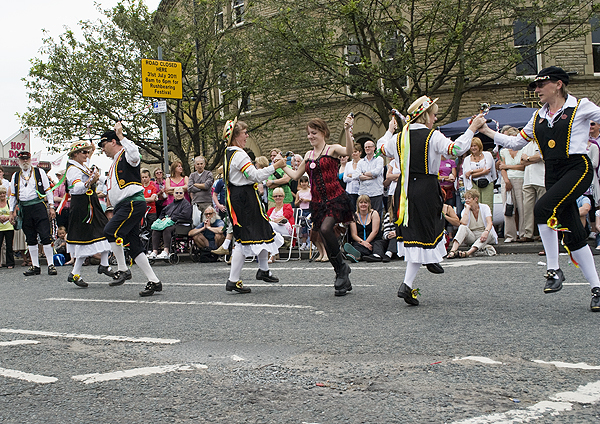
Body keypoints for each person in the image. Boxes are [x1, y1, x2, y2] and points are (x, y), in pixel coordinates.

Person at [478, 65, 600, 312]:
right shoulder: (538, 117)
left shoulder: (581, 106)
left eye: (541, 85)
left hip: (577, 167)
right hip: (552, 172)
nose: (537, 90)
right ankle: (597, 289)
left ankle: (553, 269)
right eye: (535, 86)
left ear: (558, 85)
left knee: (543, 208)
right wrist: (486, 131)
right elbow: (515, 141)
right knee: (575, 236)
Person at [377, 96, 486, 306]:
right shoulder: (432, 136)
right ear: (426, 115)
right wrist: (472, 128)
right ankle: (412, 279)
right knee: (429, 228)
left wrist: (390, 130)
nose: (435, 118)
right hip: (425, 189)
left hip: (404, 191)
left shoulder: (398, 138)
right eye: (434, 114)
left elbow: (382, 147)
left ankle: (431, 260)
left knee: (418, 231)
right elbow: (456, 149)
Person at [276, 116, 354, 296]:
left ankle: (341, 268)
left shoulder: (332, 149)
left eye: (314, 133)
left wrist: (348, 130)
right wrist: (281, 165)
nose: (311, 136)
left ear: (323, 132)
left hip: (335, 198)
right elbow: (296, 176)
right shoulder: (308, 155)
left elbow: (348, 150)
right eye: (309, 133)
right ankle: (341, 273)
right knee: (324, 235)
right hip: (318, 202)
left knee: (327, 229)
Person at [99, 122, 162, 297]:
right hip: (124, 205)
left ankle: (122, 269)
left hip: (132, 202)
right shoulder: (114, 162)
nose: (103, 150)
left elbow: (135, 154)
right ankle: (154, 281)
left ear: (113, 142)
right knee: (134, 245)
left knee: (110, 231)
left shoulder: (126, 155)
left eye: (104, 145)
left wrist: (121, 136)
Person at [223, 118, 285, 293]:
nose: (247, 136)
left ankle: (263, 270)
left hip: (239, 197)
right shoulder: (239, 154)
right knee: (246, 238)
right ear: (236, 136)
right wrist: (275, 166)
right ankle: (234, 280)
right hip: (245, 199)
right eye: (244, 133)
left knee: (262, 231)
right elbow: (255, 176)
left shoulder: (228, 153)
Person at [64, 141, 114, 287]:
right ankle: (75, 273)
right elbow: (77, 187)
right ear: (75, 154)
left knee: (105, 231)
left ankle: (103, 264)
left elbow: (93, 179)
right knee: (84, 239)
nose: (87, 155)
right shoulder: (73, 169)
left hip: (91, 204)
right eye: (84, 152)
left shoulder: (82, 166)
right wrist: (90, 181)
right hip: (82, 207)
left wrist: (101, 179)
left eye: (88, 152)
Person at [9, 151, 57, 277]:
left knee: (45, 235)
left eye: (27, 159)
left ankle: (51, 264)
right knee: (30, 237)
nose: (25, 161)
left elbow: (48, 190)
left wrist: (51, 206)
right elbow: (13, 196)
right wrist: (11, 212)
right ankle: (35, 266)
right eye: (22, 159)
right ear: (18, 161)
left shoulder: (39, 172)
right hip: (24, 208)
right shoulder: (15, 175)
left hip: (38, 206)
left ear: (30, 160)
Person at [447, 189, 498, 258]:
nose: (466, 200)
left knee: (489, 234)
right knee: (462, 227)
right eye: (465, 199)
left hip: (485, 234)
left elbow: (489, 223)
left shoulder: (485, 207)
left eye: (469, 198)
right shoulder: (465, 210)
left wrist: (486, 232)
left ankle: (468, 253)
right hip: (472, 235)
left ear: (476, 199)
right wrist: (467, 209)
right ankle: (452, 251)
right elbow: (463, 223)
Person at [148, 187, 192, 259]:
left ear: (183, 194)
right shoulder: (170, 205)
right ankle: (154, 251)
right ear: (174, 194)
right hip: (168, 223)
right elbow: (163, 212)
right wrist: (161, 219)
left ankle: (166, 251)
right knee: (156, 229)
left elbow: (185, 215)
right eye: (177, 193)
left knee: (167, 229)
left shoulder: (186, 204)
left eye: (181, 193)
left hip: (180, 224)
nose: (178, 194)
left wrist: (172, 218)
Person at [498, 127, 525, 242]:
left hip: (521, 179)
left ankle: (524, 233)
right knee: (508, 207)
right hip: (507, 180)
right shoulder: (503, 151)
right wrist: (507, 181)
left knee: (523, 208)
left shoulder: (524, 150)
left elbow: (523, 166)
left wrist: (508, 166)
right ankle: (510, 235)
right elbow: (501, 167)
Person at [344, 195, 385, 262]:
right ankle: (358, 256)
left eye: (365, 202)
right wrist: (363, 243)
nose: (363, 204)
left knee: (377, 245)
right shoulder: (354, 216)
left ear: (369, 204)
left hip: (373, 240)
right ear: (358, 204)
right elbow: (354, 235)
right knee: (356, 246)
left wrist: (366, 242)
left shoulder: (374, 213)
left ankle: (359, 256)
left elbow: (375, 231)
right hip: (360, 241)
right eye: (361, 202)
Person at [519, 140, 545, 242]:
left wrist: (528, 158)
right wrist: (533, 159)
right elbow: (521, 161)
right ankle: (528, 233)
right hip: (528, 179)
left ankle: (543, 233)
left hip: (541, 179)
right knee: (527, 208)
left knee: (542, 207)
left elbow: (541, 156)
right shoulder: (527, 145)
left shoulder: (542, 142)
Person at [462, 137, 496, 213]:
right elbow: (467, 175)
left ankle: (488, 223)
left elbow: (488, 168)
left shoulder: (487, 155)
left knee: (488, 206)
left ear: (479, 146)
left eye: (475, 146)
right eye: (471, 146)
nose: (473, 148)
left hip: (487, 183)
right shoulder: (467, 159)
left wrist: (472, 171)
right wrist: (482, 172)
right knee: (475, 206)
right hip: (474, 184)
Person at [356, 140, 385, 218]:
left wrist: (363, 174)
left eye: (369, 147)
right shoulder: (360, 162)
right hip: (363, 193)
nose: (367, 148)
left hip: (376, 192)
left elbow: (377, 172)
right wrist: (371, 176)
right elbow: (357, 175)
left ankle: (376, 230)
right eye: (366, 147)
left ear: (374, 148)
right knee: (363, 216)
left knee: (377, 216)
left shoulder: (379, 159)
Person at [343, 143, 362, 213]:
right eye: (352, 152)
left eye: (355, 152)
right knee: (351, 211)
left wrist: (351, 176)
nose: (354, 154)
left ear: (360, 152)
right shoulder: (348, 164)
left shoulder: (363, 163)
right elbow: (345, 179)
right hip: (350, 191)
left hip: (360, 191)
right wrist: (355, 177)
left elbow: (362, 176)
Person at [294, 175, 312, 249]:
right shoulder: (299, 192)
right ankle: (304, 243)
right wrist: (299, 201)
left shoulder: (310, 191)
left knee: (310, 227)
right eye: (302, 182)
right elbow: (295, 203)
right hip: (301, 211)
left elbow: (313, 200)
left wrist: (307, 200)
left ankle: (311, 243)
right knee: (303, 227)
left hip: (309, 210)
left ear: (308, 182)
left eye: (305, 182)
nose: (304, 183)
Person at [0, 186, 14, 269]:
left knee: (9, 246)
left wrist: (7, 217)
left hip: (9, 226)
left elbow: (14, 214)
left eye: (3, 193)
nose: (2, 195)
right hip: (0, 227)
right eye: (0, 193)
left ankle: (10, 263)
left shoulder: (9, 202)